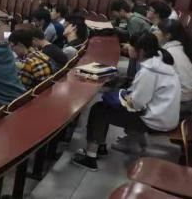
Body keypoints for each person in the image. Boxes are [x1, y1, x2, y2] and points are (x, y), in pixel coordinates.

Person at [72, 33, 181, 170]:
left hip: (154, 120)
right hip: (164, 116)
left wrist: (123, 97)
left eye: (131, 46)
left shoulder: (149, 71)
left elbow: (137, 104)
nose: (128, 47)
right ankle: (99, 147)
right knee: (105, 106)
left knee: (99, 110)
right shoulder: (160, 62)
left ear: (140, 51)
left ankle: (90, 158)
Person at [154, 19, 192, 113]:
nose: (155, 33)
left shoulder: (169, 53)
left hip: (183, 101)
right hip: (186, 97)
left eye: (158, 30)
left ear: (168, 35)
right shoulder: (179, 47)